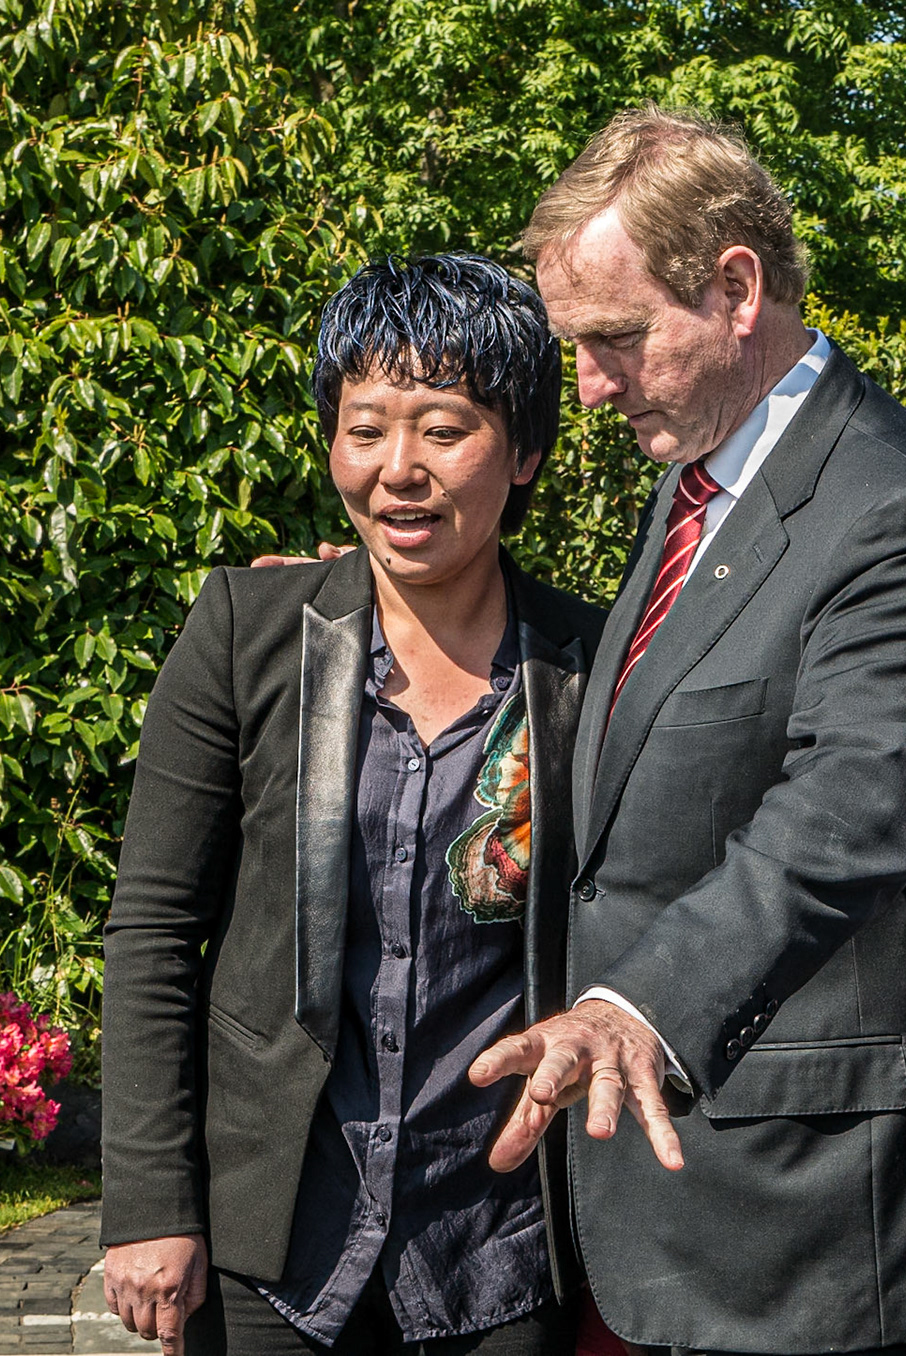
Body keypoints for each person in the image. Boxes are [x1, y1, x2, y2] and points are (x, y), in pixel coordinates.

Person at [460, 106, 906, 1356]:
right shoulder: (697, 479)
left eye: (615, 339)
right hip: (681, 1206)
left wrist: (640, 1005)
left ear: (736, 289)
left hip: (822, 1226)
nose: (591, 385)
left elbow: (849, 808)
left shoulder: (902, 508)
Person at [99, 254, 605, 1356]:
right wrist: (150, 1205)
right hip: (277, 1240)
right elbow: (150, 929)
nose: (399, 470)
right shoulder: (248, 631)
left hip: (496, 1243)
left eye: (443, 428)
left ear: (524, 453)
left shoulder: (589, 669)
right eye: (365, 427)